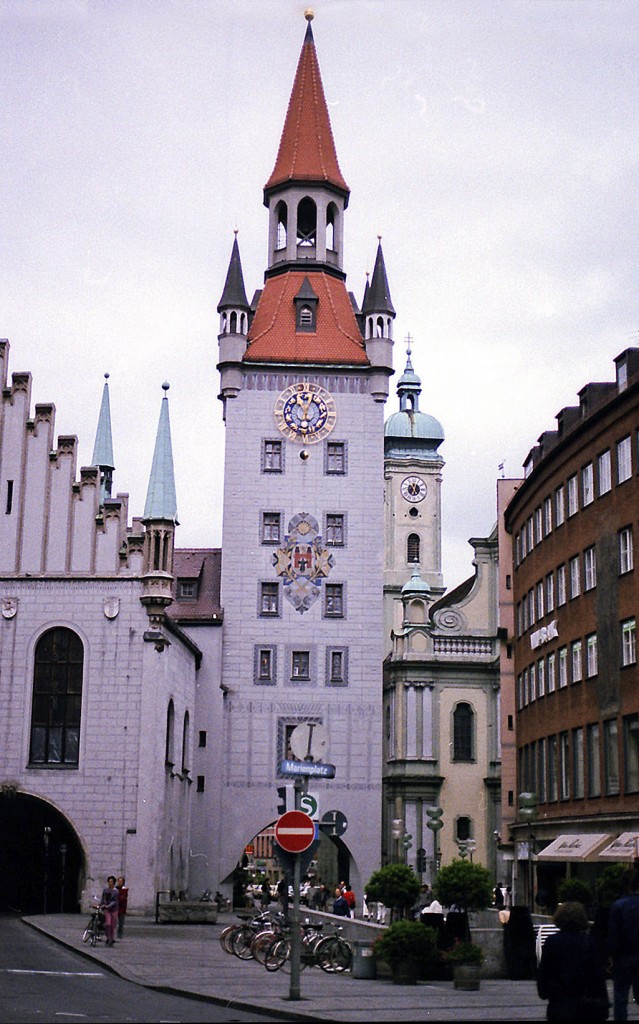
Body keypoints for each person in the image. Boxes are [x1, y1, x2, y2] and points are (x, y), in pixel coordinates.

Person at [537, 901, 609, 1022]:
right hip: (587, 1005)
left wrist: (546, 992)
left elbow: (545, 972)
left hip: (560, 1004)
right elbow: (597, 976)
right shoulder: (590, 943)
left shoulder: (552, 942)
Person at [607, 870, 639, 1021]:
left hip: (623, 956)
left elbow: (614, 934)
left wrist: (611, 956)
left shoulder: (618, 906)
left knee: (620, 998)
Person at [100, 875, 119, 947]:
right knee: (108, 924)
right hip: (107, 910)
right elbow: (103, 898)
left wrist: (109, 905)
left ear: (114, 882)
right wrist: (102, 905)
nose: (110, 883)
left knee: (112, 926)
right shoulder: (105, 890)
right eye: (109, 881)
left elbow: (114, 901)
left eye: (111, 881)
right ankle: (108, 938)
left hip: (113, 909)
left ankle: (112, 938)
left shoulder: (116, 891)